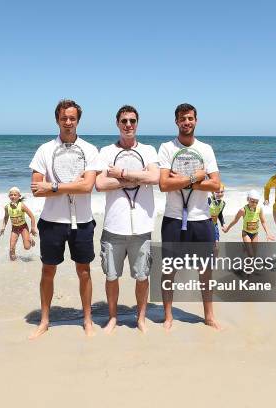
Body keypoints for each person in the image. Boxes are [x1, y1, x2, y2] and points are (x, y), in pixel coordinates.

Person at [29, 99, 100, 338]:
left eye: (72, 118)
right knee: (47, 272)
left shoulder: (90, 149)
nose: (68, 122)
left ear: (78, 120)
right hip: (51, 221)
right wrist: (71, 185)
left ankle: (88, 319)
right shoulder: (44, 150)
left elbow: (88, 187)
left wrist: (55, 185)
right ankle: (45, 320)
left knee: (84, 272)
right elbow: (36, 189)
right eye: (64, 118)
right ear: (57, 119)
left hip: (82, 221)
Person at [95, 105, 160, 333]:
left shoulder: (149, 150)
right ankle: (112, 317)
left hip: (142, 226)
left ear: (137, 123)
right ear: (117, 123)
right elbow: (101, 184)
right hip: (114, 226)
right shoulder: (105, 152)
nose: (128, 125)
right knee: (111, 276)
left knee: (142, 276)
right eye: (124, 121)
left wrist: (121, 174)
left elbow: (154, 177)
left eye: (132, 120)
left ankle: (140, 318)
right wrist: (135, 178)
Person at [158, 103, 221, 331]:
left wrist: (183, 179)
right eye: (183, 118)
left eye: (190, 118)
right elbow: (164, 184)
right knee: (169, 269)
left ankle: (209, 316)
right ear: (176, 121)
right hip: (173, 218)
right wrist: (195, 176)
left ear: (196, 120)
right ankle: (168, 316)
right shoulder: (166, 148)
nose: (187, 122)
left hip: (201, 218)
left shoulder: (206, 149)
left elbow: (216, 184)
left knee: (205, 270)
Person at [222, 189, 275, 258]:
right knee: (250, 254)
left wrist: (268, 233)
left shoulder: (259, 209)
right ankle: (246, 250)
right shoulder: (243, 210)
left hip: (255, 234)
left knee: (253, 255)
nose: (254, 204)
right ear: (248, 199)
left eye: (256, 202)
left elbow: (263, 221)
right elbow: (235, 220)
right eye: (252, 201)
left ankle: (248, 267)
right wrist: (227, 229)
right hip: (246, 233)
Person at [0, 187, 38, 261]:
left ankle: (30, 239)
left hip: (23, 227)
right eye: (11, 195)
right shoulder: (7, 207)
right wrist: (3, 227)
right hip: (14, 229)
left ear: (19, 196)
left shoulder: (22, 205)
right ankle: (13, 264)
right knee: (11, 248)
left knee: (27, 247)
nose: (13, 196)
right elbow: (6, 217)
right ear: (9, 196)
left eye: (15, 195)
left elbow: (32, 216)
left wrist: (32, 228)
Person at [208, 182, 226, 254]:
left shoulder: (223, 203)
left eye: (222, 192)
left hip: (214, 225)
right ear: (212, 192)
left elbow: (220, 214)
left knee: (216, 244)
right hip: (206, 225)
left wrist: (223, 224)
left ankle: (214, 262)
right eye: (217, 192)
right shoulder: (208, 200)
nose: (220, 194)